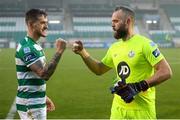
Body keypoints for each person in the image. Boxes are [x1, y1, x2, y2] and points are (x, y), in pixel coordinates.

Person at [72, 6, 172, 119]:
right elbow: (99, 69)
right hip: (118, 110)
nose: (112, 25)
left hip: (142, 112)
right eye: (112, 21)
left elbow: (166, 71)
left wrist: (138, 86)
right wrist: (83, 53)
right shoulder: (114, 47)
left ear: (128, 21)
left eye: (116, 21)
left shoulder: (145, 44)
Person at [15, 9, 66, 119]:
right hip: (31, 104)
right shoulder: (27, 48)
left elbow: (32, 77)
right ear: (31, 24)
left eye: (46, 23)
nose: (46, 26)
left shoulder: (34, 45)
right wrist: (59, 51)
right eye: (43, 23)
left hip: (35, 100)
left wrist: (44, 97)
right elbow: (44, 74)